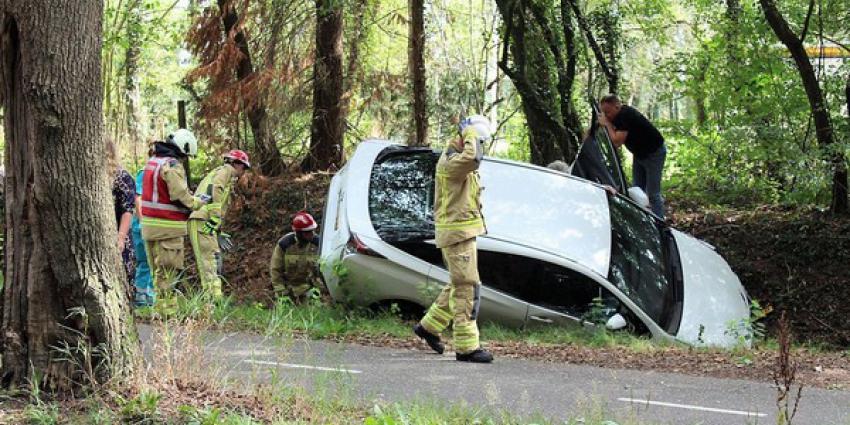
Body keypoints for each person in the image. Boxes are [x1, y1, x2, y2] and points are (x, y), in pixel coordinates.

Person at [413, 114, 494, 363]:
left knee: (459, 283)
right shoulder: (452, 162)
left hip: (463, 233)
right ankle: (467, 348)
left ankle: (428, 327)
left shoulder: (456, 159)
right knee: (467, 287)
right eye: (477, 141)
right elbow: (472, 158)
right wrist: (471, 132)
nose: (479, 146)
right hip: (457, 234)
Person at [140, 129, 209, 296]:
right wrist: (198, 202)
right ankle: (167, 310)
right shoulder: (171, 165)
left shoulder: (153, 161)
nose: (184, 160)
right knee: (168, 276)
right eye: (185, 156)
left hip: (149, 228)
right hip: (167, 230)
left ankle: (160, 307)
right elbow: (180, 195)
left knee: (158, 275)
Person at [188, 150, 251, 298]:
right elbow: (215, 189)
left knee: (213, 260)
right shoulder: (226, 171)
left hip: (206, 221)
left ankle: (215, 298)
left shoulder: (222, 174)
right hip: (202, 220)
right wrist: (215, 218)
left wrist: (218, 230)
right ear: (236, 164)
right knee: (208, 262)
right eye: (244, 167)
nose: (244, 172)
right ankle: (211, 300)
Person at [598, 94, 667, 218]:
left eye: (607, 112)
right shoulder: (615, 116)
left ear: (617, 106)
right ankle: (642, 218)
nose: (606, 116)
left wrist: (607, 124)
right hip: (639, 154)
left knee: (653, 193)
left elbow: (616, 142)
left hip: (654, 153)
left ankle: (660, 222)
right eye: (603, 113)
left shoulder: (626, 115)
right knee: (637, 190)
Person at [106, 140, 137, 299]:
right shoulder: (93, 177)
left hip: (119, 235)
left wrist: (121, 238)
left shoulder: (122, 177)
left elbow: (128, 210)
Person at [269, 211, 321, 304]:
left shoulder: (318, 244)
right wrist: (281, 292)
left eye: (312, 231)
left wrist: (320, 289)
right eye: (307, 232)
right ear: (299, 233)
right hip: (287, 289)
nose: (312, 234)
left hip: (309, 289)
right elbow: (275, 270)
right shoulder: (285, 244)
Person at [132, 147, 155, 307]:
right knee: (145, 261)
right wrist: (142, 221)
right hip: (142, 224)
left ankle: (150, 297)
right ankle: (141, 297)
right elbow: (138, 198)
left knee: (153, 261)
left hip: (152, 224)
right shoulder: (145, 172)